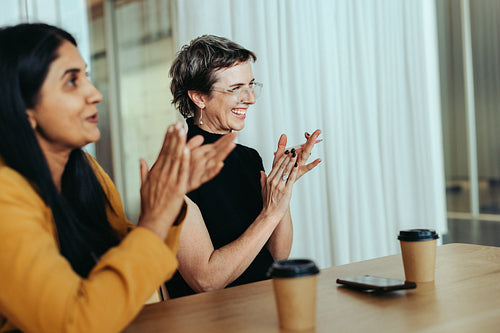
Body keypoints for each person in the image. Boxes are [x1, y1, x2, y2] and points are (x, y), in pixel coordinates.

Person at [0, 24, 236, 333]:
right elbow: (74, 322)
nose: (95, 94)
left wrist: (169, 202)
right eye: (72, 81)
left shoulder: (86, 170)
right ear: (23, 105)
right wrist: (154, 218)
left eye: (86, 76)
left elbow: (133, 266)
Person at [166, 35, 322, 298]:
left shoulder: (248, 158)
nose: (250, 98)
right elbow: (206, 281)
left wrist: (281, 186)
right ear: (199, 97)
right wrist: (270, 213)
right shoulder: (174, 170)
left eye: (251, 85)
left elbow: (277, 256)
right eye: (236, 88)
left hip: (261, 304)